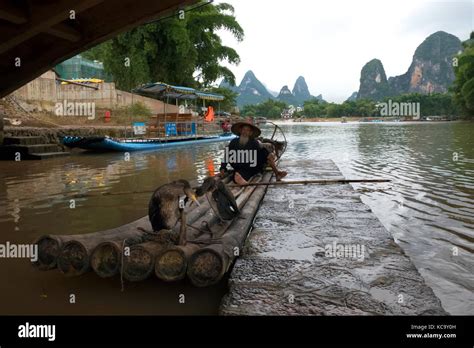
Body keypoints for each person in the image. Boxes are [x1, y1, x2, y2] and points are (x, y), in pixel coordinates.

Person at [219, 121, 287, 185]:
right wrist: (223, 168)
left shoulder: (254, 142)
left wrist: (270, 154)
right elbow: (227, 155)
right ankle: (240, 179)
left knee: (264, 152)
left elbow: (260, 153)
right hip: (239, 166)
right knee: (238, 174)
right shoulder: (234, 142)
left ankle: (277, 173)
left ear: (250, 133)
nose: (245, 132)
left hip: (251, 166)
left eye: (247, 130)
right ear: (240, 131)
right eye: (243, 130)